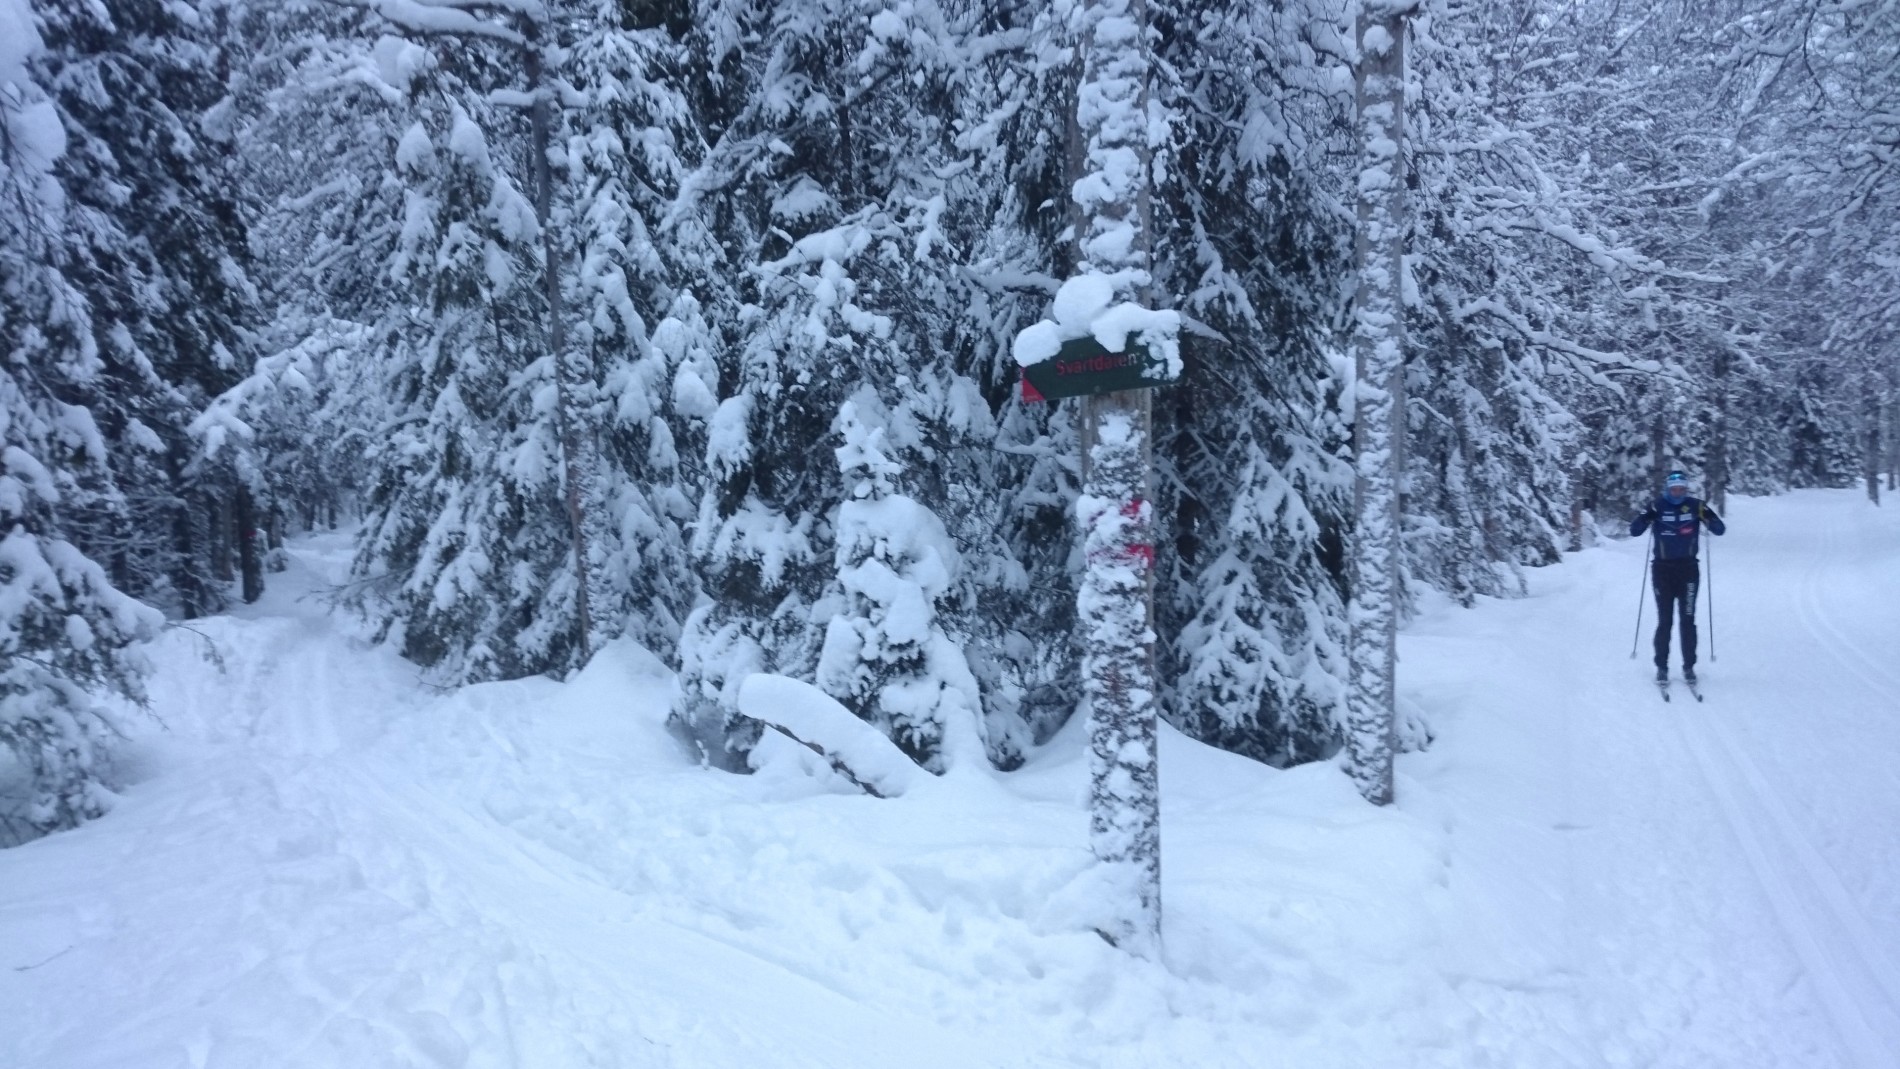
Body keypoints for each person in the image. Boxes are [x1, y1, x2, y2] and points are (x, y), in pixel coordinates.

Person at [1631, 471, 1726, 682]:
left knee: (1688, 620)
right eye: (1674, 489)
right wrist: (1646, 516)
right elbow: (1635, 530)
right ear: (1668, 489)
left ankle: (1689, 667)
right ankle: (1662, 667)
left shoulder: (1695, 506)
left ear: (1686, 489)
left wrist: (1709, 518)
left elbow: (1720, 529)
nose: (1677, 493)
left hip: (1689, 571)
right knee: (1665, 621)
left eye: (1681, 489)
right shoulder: (1657, 506)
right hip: (1662, 571)